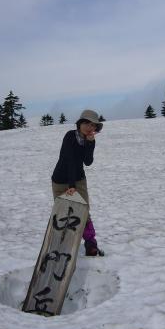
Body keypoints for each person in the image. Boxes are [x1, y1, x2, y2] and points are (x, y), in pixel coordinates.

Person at [51, 109, 104, 256]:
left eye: (93, 125)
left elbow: (88, 162)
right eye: (86, 123)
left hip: (79, 180)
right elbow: (70, 160)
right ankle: (62, 245)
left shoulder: (89, 140)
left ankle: (90, 244)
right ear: (80, 123)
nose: (89, 127)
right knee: (62, 213)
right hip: (60, 180)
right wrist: (71, 185)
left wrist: (90, 144)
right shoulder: (70, 136)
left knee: (83, 211)